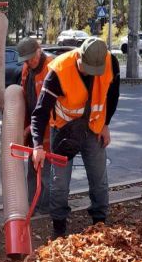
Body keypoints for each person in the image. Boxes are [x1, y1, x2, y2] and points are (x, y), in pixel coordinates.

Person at [30, 37, 120, 239]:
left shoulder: (110, 63)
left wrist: (106, 125)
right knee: (59, 182)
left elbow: (113, 95)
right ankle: (59, 228)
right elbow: (40, 113)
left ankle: (99, 224)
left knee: (99, 179)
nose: (89, 72)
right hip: (64, 131)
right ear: (78, 55)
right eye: (85, 67)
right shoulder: (59, 71)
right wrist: (37, 146)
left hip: (93, 127)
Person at [16, 37, 54, 213]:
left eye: (33, 58)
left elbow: (50, 105)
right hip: (33, 128)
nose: (31, 62)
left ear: (39, 49)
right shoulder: (27, 69)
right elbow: (26, 98)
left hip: (48, 129)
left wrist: (33, 126)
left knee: (45, 173)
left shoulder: (51, 67)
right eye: (27, 60)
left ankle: (45, 209)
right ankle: (32, 206)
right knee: (32, 171)